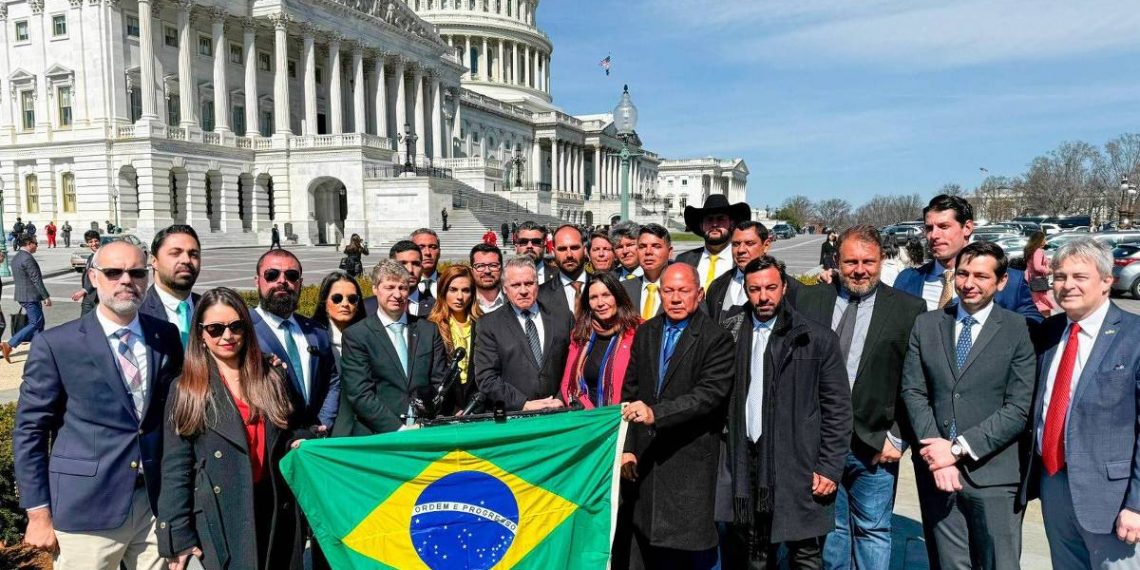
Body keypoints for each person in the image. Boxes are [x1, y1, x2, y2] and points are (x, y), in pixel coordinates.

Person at [15, 240, 183, 570]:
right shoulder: (56, 344)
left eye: (136, 272)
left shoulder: (166, 336)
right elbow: (30, 432)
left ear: (147, 277)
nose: (126, 280)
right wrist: (37, 512)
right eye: (113, 272)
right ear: (93, 277)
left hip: (153, 505)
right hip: (86, 510)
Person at [796, 226, 926, 570]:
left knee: (873, 531)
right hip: (821, 444)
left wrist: (898, 437)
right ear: (836, 262)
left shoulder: (908, 309)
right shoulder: (810, 300)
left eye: (868, 261)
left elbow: (915, 380)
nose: (859, 269)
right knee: (833, 532)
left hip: (874, 444)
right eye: (850, 261)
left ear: (881, 260)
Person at [900, 242, 1035, 570]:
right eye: (962, 273)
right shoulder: (927, 324)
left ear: (1001, 282)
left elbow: (1018, 408)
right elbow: (914, 392)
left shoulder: (1017, 329)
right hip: (939, 475)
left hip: (993, 476)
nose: (968, 283)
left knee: (998, 564)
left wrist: (958, 449)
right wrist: (938, 455)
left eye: (981, 276)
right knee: (949, 564)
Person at [157, 287, 311, 570]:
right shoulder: (187, 389)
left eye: (235, 326)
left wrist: (300, 440)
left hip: (275, 507)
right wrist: (177, 535)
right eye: (215, 329)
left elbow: (296, 427)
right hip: (222, 514)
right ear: (201, 335)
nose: (227, 336)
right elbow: (176, 468)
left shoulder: (272, 376)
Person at [721, 256, 852, 569]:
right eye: (754, 289)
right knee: (752, 550)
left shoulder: (816, 339)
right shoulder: (728, 333)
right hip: (745, 460)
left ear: (783, 288)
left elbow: (838, 410)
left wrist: (829, 467)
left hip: (799, 463)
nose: (763, 296)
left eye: (770, 288)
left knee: (804, 552)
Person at [1020, 238, 1140, 569]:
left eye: (1079, 276)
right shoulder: (1049, 332)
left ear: (1107, 281)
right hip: (1054, 483)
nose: (1067, 285)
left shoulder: (1134, 335)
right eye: (1059, 276)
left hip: (1113, 499)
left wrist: (1137, 505)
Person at [620, 263, 735, 568]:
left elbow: (708, 396)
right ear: (659, 293)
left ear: (699, 294)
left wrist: (655, 414)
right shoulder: (646, 332)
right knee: (647, 548)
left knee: (690, 553)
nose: (675, 298)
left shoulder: (716, 338)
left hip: (689, 463)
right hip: (647, 463)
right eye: (668, 291)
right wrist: (628, 448)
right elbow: (630, 393)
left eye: (683, 291)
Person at [332, 260, 448, 435]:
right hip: (378, 435)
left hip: (424, 431)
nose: (397, 294)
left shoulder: (428, 330)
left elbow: (439, 382)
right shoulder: (357, 335)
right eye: (390, 287)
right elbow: (360, 393)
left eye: (402, 288)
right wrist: (399, 429)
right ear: (375, 289)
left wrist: (426, 421)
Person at [894, 194, 1041, 322]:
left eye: (944, 227)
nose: (934, 236)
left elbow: (1034, 331)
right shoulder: (907, 281)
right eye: (929, 228)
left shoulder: (1012, 282)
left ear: (967, 228)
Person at [250, 249, 340, 432]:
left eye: (291, 275)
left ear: (300, 283)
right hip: (269, 440)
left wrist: (322, 423)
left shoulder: (316, 331)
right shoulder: (243, 329)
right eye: (272, 275)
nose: (282, 281)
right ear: (257, 281)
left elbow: (332, 380)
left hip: (313, 440)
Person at [473, 256, 572, 411]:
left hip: (557, 411)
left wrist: (560, 398)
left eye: (529, 283)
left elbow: (573, 365)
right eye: (516, 285)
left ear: (537, 284)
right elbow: (486, 378)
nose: (524, 291)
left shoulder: (563, 318)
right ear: (505, 289)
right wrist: (523, 404)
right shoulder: (489, 325)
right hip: (514, 418)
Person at [560, 272, 639, 409]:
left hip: (626, 417)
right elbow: (568, 384)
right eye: (594, 297)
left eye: (606, 295)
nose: (600, 303)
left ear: (618, 297)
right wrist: (591, 414)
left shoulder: (638, 331)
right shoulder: (580, 334)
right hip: (589, 419)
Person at [426, 265, 483, 413]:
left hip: (478, 408)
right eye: (453, 290)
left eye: (465, 290)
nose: (459, 297)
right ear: (443, 291)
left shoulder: (484, 325)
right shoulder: (430, 327)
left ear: (472, 294)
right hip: (443, 411)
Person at [139, 225, 202, 348]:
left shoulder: (210, 308)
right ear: (154, 261)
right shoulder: (136, 313)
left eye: (193, 254)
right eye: (175, 253)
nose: (186, 260)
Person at [676, 194, 750, 290]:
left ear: (731, 224)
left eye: (720, 219)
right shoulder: (684, 260)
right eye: (709, 219)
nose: (714, 224)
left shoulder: (743, 261)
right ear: (701, 225)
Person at [2, 235, 51, 363]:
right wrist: (46, 296)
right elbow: (36, 279)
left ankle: (39, 350)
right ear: (29, 243)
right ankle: (10, 344)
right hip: (30, 296)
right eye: (36, 243)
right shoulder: (27, 258)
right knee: (35, 322)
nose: (37, 246)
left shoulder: (17, 257)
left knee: (39, 323)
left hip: (23, 294)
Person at [311, 270, 366, 364]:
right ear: (324, 302)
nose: (345, 304)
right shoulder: (311, 337)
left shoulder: (369, 336)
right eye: (337, 298)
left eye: (352, 299)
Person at [622, 223, 673, 320]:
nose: (648, 252)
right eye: (642, 247)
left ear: (669, 252)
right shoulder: (623, 289)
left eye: (656, 246)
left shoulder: (684, 290)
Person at [539, 224, 588, 317]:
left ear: (585, 250)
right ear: (553, 252)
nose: (569, 254)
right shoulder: (540, 295)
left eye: (574, 248)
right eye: (562, 249)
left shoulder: (604, 287)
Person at [376, 239, 434, 317]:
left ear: (422, 268)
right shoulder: (369, 306)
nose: (410, 270)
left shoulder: (436, 308)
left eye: (416, 264)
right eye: (402, 264)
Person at [1023, 231, 1058, 317]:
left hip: (1032, 279)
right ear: (1039, 240)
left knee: (1037, 302)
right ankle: (1045, 324)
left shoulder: (1031, 250)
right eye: (1044, 239)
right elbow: (1038, 266)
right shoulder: (1038, 251)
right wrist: (1049, 271)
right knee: (1042, 304)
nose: (1045, 241)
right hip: (1038, 281)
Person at [71, 230, 103, 316]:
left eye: (96, 241)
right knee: (84, 323)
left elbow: (98, 277)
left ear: (99, 241)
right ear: (87, 244)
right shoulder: (90, 257)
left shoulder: (104, 256)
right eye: (90, 242)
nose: (94, 244)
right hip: (88, 297)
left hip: (99, 298)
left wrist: (84, 290)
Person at [471, 243, 507, 313]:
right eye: (480, 266)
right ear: (472, 271)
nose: (487, 271)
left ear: (501, 269)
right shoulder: (464, 303)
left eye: (493, 265)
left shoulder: (513, 301)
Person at [411, 228, 441, 299]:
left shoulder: (450, 284)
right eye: (421, 247)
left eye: (433, 247)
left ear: (439, 252)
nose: (427, 252)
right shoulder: (400, 286)